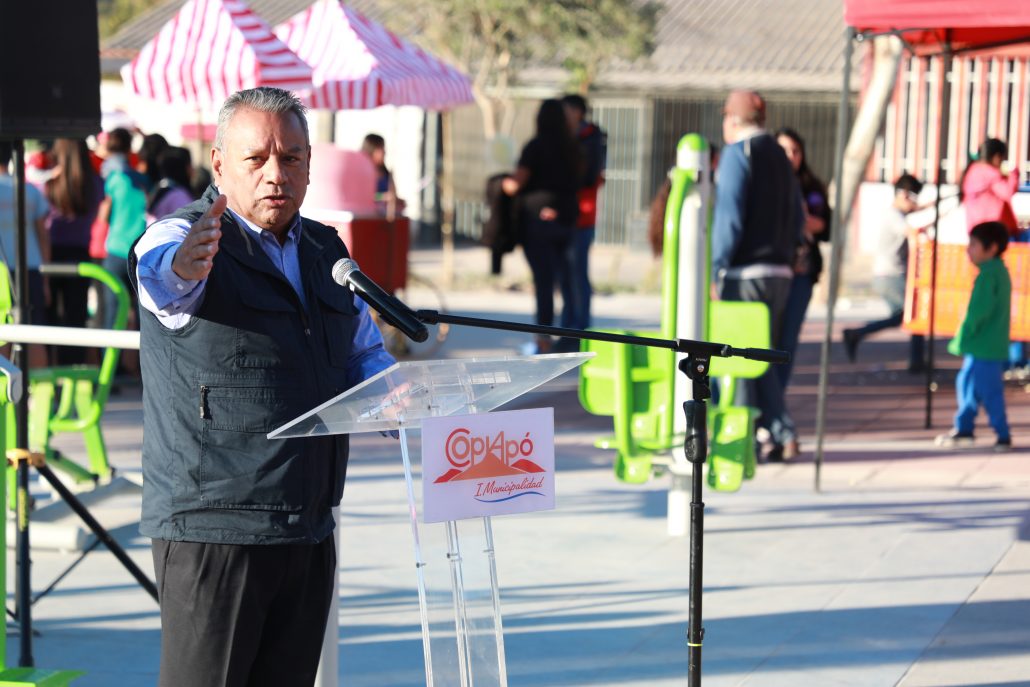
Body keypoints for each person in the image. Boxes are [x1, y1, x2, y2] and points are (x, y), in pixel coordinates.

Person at [128, 86, 396, 686]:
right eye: (257, 159)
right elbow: (161, 280)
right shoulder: (180, 236)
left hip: (308, 523)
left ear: (309, 164)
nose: (277, 174)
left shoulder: (326, 249)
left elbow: (364, 356)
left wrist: (411, 401)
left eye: (292, 157)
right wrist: (184, 266)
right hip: (215, 527)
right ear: (219, 164)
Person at [711, 90, 803, 462]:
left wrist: (715, 267)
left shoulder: (738, 154)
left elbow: (729, 218)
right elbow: (797, 215)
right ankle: (777, 432)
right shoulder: (780, 155)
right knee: (760, 355)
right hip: (780, 271)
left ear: (732, 119)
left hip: (745, 271)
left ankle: (752, 437)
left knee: (741, 357)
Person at [502, 98, 582, 354]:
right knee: (566, 281)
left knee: (544, 283)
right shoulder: (573, 147)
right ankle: (570, 335)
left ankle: (543, 340)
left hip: (537, 224)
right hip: (566, 222)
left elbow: (516, 184)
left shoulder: (535, 146)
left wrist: (500, 183)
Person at [934, 221, 1012, 451]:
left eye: (974, 245)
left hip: (984, 345)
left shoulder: (989, 275)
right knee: (967, 384)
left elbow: (978, 312)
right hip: (985, 345)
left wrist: (964, 335)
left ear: (992, 248)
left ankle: (1002, 434)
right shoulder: (997, 271)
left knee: (989, 391)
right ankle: (964, 428)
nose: (969, 250)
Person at [842, 174, 926, 371]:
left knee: (904, 316)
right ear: (904, 195)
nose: (914, 204)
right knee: (913, 314)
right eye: (913, 199)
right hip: (891, 275)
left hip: (889, 275)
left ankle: (858, 334)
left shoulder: (897, 214)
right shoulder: (893, 216)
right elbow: (911, 232)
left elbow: (916, 212)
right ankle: (916, 361)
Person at [775, 128, 830, 391]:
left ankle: (777, 397)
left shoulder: (811, 187)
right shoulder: (766, 183)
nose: (790, 156)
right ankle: (765, 401)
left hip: (800, 275)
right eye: (784, 150)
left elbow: (825, 225)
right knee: (763, 339)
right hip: (772, 274)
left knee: (787, 341)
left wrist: (804, 221)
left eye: (795, 151)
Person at [43, 139, 104, 364]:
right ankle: (73, 368)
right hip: (80, 253)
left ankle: (49, 366)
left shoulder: (49, 182)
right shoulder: (95, 183)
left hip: (50, 254)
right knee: (76, 315)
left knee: (48, 314)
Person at [0, 142, 51, 368]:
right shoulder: (29, 189)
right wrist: (46, 277)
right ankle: (41, 386)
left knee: (2, 333)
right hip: (31, 267)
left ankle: (4, 385)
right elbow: (43, 235)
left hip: (1, 271)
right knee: (34, 331)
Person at [561, 94, 606, 331]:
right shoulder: (566, 137)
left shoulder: (591, 139)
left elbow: (588, 177)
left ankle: (580, 330)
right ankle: (566, 327)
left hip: (582, 217)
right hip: (565, 217)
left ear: (578, 111)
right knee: (565, 278)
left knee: (578, 276)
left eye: (566, 110)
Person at [96, 127, 147, 331]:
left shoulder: (114, 178)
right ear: (129, 148)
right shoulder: (144, 180)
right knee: (143, 315)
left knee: (113, 313)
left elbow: (104, 214)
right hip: (141, 251)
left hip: (116, 249)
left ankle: (111, 352)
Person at [961, 138, 1019, 235]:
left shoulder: (974, 169)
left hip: (977, 227)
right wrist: (1014, 174)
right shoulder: (989, 173)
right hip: (990, 229)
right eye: (1002, 159)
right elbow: (1008, 192)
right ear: (996, 156)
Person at [145, 146, 196, 224]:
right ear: (184, 168)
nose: (193, 170)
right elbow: (189, 224)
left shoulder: (159, 188)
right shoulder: (178, 196)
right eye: (190, 165)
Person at [360, 133, 404, 216]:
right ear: (370, 150)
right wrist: (382, 197)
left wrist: (397, 200)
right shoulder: (361, 172)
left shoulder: (386, 173)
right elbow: (362, 196)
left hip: (384, 217)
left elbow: (392, 194)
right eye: (380, 148)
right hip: (367, 216)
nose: (384, 152)